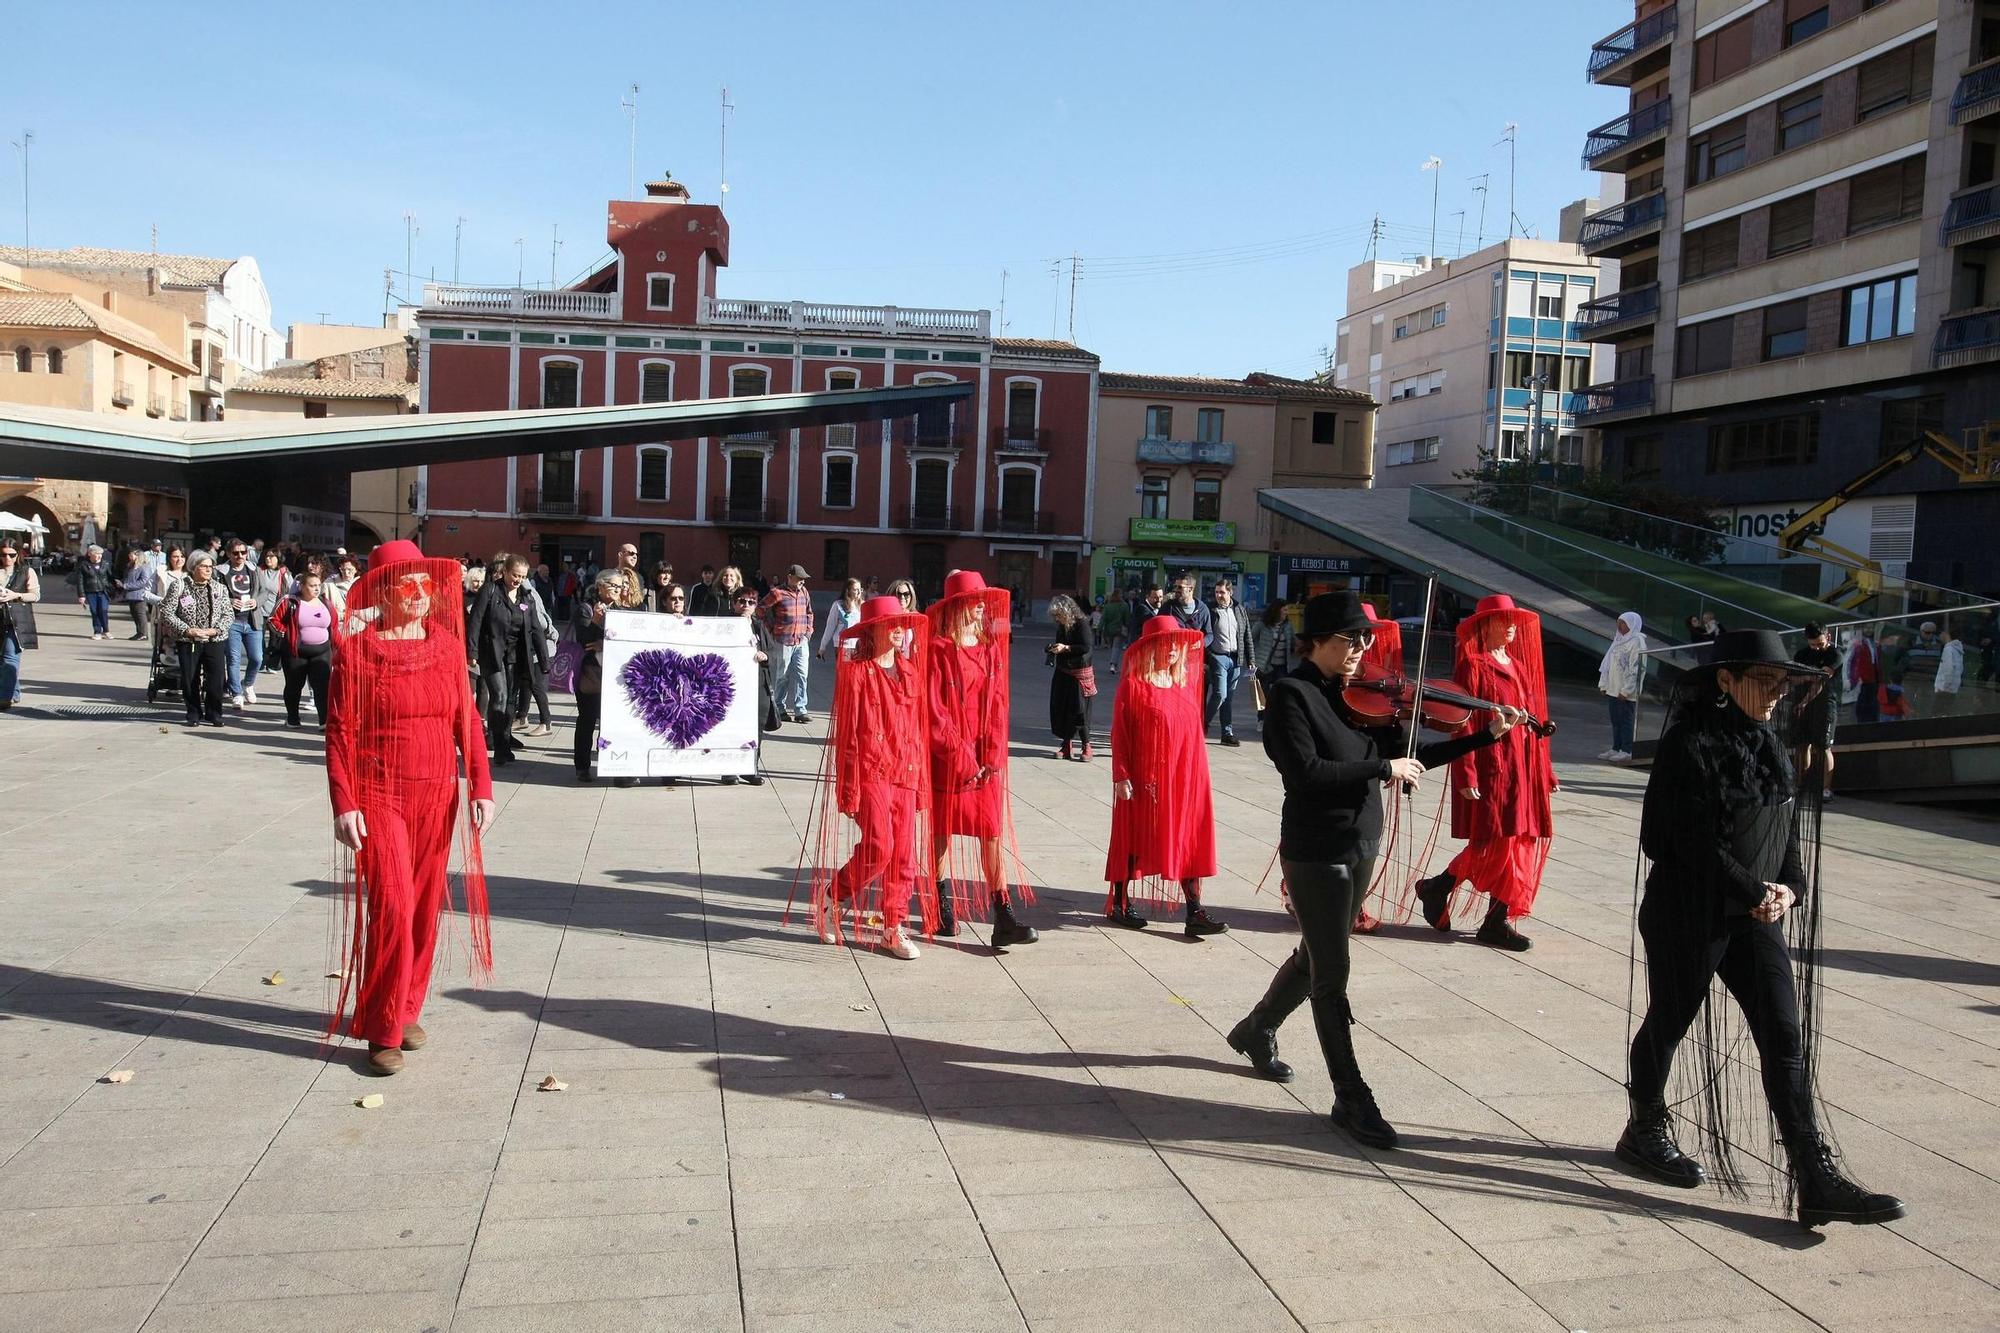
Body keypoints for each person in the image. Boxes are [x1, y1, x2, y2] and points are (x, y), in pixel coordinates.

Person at [1619, 628, 1905, 1229]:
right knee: (1670, 1019)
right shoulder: (1688, 747)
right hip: (1688, 912)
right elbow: (1687, 843)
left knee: (1782, 1033)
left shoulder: (1769, 744)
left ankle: (1813, 1173)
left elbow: (1783, 829)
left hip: (1754, 915)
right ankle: (1643, 1126)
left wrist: (1789, 888)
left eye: (1781, 683)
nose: (1775, 693)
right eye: (1764, 681)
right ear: (1724, 680)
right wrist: (1757, 891)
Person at [1230, 592, 1520, 1145]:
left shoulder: (1361, 697)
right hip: (1316, 850)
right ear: (1316, 640)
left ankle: (1256, 1028)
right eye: (1351, 639)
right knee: (1331, 974)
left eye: (1366, 638)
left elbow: (1413, 753)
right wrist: (1383, 764)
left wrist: (1484, 734)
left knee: (1317, 951)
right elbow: (1306, 773)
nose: (1363, 648)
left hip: (1363, 840)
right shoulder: (1292, 695)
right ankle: (1351, 1096)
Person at [325, 540, 497, 1077]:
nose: (421, 594)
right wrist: (343, 802)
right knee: (395, 905)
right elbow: (339, 732)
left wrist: (482, 786)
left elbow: (467, 718)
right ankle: (380, 1028)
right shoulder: (357, 653)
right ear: (381, 591)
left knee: (424, 906)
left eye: (426, 584)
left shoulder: (445, 646)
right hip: (380, 794)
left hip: (436, 792)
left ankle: (404, 1008)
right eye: (408, 584)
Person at [1413, 593, 1555, 951]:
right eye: (1502, 620)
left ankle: (1493, 918)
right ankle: (1440, 886)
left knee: (1520, 839)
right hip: (1492, 765)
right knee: (1492, 842)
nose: (1510, 627)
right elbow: (1463, 724)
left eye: (1512, 621)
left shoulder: (1519, 667)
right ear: (1484, 625)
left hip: (1521, 766)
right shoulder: (1473, 665)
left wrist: (1545, 770)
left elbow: (1534, 721)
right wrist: (1466, 775)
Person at [812, 595, 936, 960]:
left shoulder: (911, 671)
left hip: (906, 769)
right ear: (875, 630)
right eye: (892, 625)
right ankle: (832, 897)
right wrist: (848, 788)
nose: (899, 631)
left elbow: (918, 730)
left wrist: (922, 782)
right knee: (880, 846)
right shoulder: (856, 673)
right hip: (871, 770)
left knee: (904, 855)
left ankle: (893, 927)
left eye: (902, 625)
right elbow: (847, 736)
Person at [927, 571, 1038, 945]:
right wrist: (962, 759)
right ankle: (942, 908)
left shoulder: (991, 650)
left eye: (981, 601)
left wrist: (990, 755)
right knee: (941, 831)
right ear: (957, 606)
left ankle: (1003, 914)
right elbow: (934, 712)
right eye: (974, 601)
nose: (980, 607)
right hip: (950, 759)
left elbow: (998, 706)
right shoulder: (938, 649)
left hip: (983, 761)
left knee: (991, 831)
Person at [1103, 615, 1227, 938]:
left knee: (1188, 838)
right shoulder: (1134, 686)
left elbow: (1193, 735)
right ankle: (1119, 902)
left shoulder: (1185, 684)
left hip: (1184, 779)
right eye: (1166, 643)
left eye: (1177, 644)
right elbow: (1121, 734)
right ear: (1151, 647)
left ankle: (1194, 910)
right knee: (1135, 837)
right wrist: (1121, 775)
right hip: (1147, 781)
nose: (1173, 649)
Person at [467, 556, 542, 768]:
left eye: (523, 577)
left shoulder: (526, 597)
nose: (518, 580)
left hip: (515, 655)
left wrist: (544, 660)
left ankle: (505, 741)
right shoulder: (490, 590)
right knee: (499, 696)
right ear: (506, 572)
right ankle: (498, 746)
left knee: (510, 700)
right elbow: (476, 620)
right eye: (515, 575)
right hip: (491, 652)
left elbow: (535, 627)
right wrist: (471, 650)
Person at [159, 551, 232, 727]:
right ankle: (193, 712)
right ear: (193, 567)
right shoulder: (180, 586)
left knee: (216, 679)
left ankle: (214, 713)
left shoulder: (219, 588)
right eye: (204, 566)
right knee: (190, 678)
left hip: (214, 639)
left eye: (210, 566)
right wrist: (187, 630)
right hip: (189, 640)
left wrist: (216, 630)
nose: (208, 570)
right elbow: (166, 612)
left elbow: (228, 614)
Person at [570, 570, 628, 786]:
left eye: (620, 586)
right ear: (600, 586)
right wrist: (595, 620)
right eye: (613, 585)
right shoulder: (586, 608)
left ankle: (609, 763)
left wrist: (605, 644)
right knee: (587, 719)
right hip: (591, 674)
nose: (618, 589)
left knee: (611, 722)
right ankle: (582, 766)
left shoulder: (622, 611)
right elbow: (584, 641)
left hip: (614, 676)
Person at [270, 569, 337, 727]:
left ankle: (324, 721)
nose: (316, 589)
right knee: (294, 686)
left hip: (322, 652)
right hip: (296, 653)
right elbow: (273, 621)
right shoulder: (289, 601)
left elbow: (333, 627)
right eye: (312, 585)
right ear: (301, 586)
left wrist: (341, 647)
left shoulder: (326, 603)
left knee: (323, 687)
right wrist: (287, 635)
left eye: (318, 585)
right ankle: (293, 719)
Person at [728, 585, 777, 783]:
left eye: (750, 602)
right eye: (741, 601)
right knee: (731, 726)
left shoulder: (759, 626)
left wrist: (765, 655)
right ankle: (729, 769)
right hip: (731, 686)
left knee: (756, 727)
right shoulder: (725, 625)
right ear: (733, 604)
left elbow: (773, 653)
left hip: (758, 685)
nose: (745, 605)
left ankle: (750, 768)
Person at [1792, 622, 1842, 800]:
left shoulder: (1834, 655)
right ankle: (1800, 785)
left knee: (1823, 746)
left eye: (1819, 644)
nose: (1816, 648)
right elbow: (1794, 677)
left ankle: (1825, 789)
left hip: (1825, 705)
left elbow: (1820, 681)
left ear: (1828, 637)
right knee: (1802, 745)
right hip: (1802, 704)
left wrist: (1805, 699)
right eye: (1812, 644)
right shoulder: (1802, 654)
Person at [1046, 592, 1096, 760]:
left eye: (1058, 615)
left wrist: (1066, 648)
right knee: (1062, 707)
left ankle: (1086, 745)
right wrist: (1053, 648)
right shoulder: (1063, 625)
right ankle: (1066, 745)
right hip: (1063, 671)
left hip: (1079, 673)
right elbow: (1060, 642)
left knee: (1080, 711)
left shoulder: (1082, 624)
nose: (1057, 618)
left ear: (1067, 611)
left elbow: (1085, 647)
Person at [764, 563, 815, 724]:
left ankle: (801, 709)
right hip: (783, 640)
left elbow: (809, 613)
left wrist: (808, 632)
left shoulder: (804, 592)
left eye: (803, 579)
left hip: (801, 640)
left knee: (802, 675)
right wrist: (771, 629)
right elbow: (761, 610)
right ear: (790, 577)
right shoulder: (777, 593)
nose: (802, 582)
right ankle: (780, 708)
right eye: (799, 578)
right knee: (782, 676)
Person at [215, 541, 263, 705]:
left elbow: (264, 591)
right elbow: (214, 593)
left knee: (257, 658)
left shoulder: (254, 569)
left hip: (252, 621)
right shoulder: (221, 571)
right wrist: (229, 601)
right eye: (236, 553)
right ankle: (236, 692)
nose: (240, 556)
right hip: (232, 622)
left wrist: (256, 601)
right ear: (228, 554)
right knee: (233, 659)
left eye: (243, 552)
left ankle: (247, 684)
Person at [1202, 579, 1248, 747]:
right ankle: (1203, 725)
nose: (1219, 595)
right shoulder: (1211, 610)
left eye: (1222, 592)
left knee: (1228, 699)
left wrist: (1251, 660)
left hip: (1235, 659)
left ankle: (1226, 734)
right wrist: (1206, 657)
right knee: (1220, 694)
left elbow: (1246, 635)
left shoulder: (1239, 610)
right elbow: (1204, 634)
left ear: (1230, 592)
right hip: (1217, 657)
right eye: (1216, 592)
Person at [1597, 611, 1646, 762]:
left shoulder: (1637, 641)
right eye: (1618, 622)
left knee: (1626, 720)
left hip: (1626, 692)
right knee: (1616, 720)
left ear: (1631, 624)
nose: (1619, 626)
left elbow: (1636, 668)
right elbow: (1608, 664)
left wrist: (1626, 690)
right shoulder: (1618, 640)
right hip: (1613, 688)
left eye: (1623, 623)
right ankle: (1616, 747)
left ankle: (1627, 749)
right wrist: (1604, 684)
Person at [0, 541, 40, 710]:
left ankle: (5, 697)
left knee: (10, 657)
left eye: (11, 554)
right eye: (3, 555)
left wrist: (15, 595)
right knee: (3, 660)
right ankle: (14, 692)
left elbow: (35, 595)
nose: (7, 558)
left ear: (18, 554)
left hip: (17, 620)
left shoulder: (26, 571)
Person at [253, 548, 292, 676]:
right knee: (259, 639)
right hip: (259, 610)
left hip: (276, 612)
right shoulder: (259, 571)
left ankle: (273, 664)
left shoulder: (284, 572)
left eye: (272, 557)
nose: (268, 559)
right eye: (267, 556)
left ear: (278, 558)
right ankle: (261, 662)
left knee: (276, 639)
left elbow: (290, 592)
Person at [72, 544, 114, 640]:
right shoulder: (84, 565)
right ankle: (97, 632)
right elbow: (80, 582)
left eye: (100, 554)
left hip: (103, 591)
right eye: (97, 554)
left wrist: (116, 585)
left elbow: (111, 577)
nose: (99, 556)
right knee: (94, 611)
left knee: (103, 610)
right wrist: (81, 595)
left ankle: (106, 631)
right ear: (90, 554)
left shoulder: (106, 564)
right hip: (91, 591)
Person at [818, 577, 864, 662]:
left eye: (860, 589)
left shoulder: (863, 605)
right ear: (848, 590)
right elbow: (830, 627)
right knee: (845, 674)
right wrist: (822, 647)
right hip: (843, 646)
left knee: (856, 674)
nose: (858, 592)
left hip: (858, 646)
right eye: (855, 589)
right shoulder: (838, 605)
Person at [119, 549, 155, 641]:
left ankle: (143, 634)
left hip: (140, 595)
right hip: (131, 594)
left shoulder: (144, 567)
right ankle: (139, 632)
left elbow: (144, 581)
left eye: (131, 555)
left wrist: (126, 586)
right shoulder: (131, 566)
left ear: (138, 556)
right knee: (134, 614)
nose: (129, 557)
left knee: (140, 614)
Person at [1849, 626, 1881, 724]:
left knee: (1872, 705)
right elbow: (1851, 660)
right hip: (1862, 679)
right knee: (1862, 705)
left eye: (1871, 628)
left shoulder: (1872, 643)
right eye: (1866, 628)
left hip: (1873, 679)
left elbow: (1876, 659)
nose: (1869, 630)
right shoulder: (1858, 643)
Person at [1933, 621, 1964, 717]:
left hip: (1944, 689)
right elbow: (1960, 669)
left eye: (1941, 633)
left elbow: (1948, 669)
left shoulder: (1949, 649)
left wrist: (1943, 687)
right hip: (1953, 688)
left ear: (1946, 634)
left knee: (1937, 714)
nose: (1940, 635)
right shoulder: (1957, 650)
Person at [1098, 588, 1131, 662]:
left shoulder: (1107, 606)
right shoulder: (1124, 605)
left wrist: (1099, 629)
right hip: (1119, 629)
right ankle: (1113, 664)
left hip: (1109, 630)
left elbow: (1103, 618)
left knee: (1113, 646)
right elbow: (1127, 619)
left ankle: (1112, 661)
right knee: (1116, 647)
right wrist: (1128, 627)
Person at [611, 542, 646, 608]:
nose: (635, 557)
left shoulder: (639, 578)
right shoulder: (609, 576)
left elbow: (638, 599)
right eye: (631, 553)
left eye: (637, 555)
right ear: (620, 554)